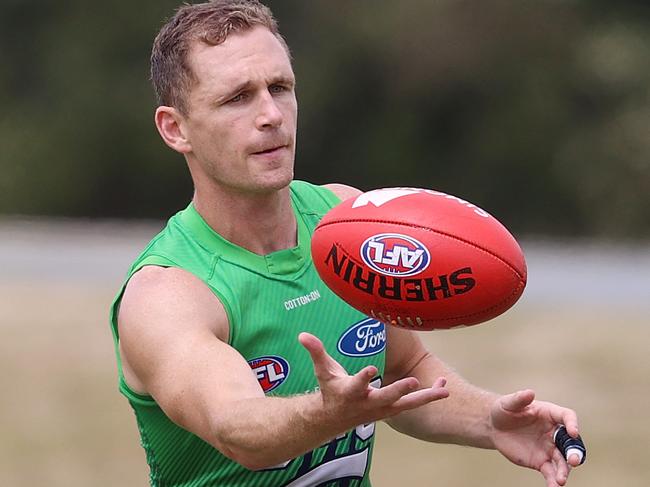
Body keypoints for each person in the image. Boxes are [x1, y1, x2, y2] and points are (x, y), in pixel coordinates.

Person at [109, 1, 583, 486]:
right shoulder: (168, 294)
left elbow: (403, 368)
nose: (271, 115)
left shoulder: (348, 223)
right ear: (175, 128)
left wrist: (490, 420)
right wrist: (327, 412)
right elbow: (237, 429)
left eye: (280, 88)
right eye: (237, 98)